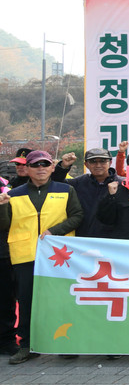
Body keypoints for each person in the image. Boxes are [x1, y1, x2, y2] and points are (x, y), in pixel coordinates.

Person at [0, 151, 82, 364]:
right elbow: (4, 225)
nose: (41, 168)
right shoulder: (13, 193)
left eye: (45, 164)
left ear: (53, 168)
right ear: (27, 169)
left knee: (61, 300)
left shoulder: (66, 190)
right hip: (24, 255)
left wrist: (55, 230)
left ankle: (66, 343)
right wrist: (1, 207)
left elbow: (77, 216)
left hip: (58, 256)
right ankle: (27, 345)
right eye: (35, 165)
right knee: (26, 302)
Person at [50, 146, 124, 238]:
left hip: (113, 241)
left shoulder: (123, 184)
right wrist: (64, 166)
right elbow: (56, 183)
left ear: (110, 162)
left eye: (102, 161)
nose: (98, 165)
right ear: (86, 164)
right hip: (84, 240)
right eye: (93, 161)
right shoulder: (79, 183)